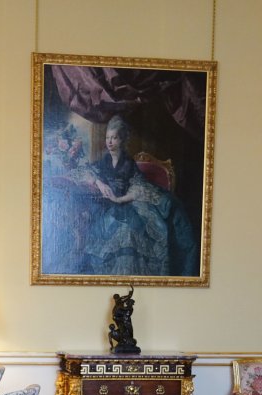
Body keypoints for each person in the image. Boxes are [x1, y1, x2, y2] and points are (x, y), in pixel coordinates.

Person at [79, 115, 198, 277]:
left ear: (122, 140)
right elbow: (87, 172)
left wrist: (119, 199)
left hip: (128, 203)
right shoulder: (104, 160)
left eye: (114, 138)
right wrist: (100, 183)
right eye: (108, 138)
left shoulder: (128, 162)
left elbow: (138, 187)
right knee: (99, 233)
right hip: (107, 206)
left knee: (129, 232)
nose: (110, 142)